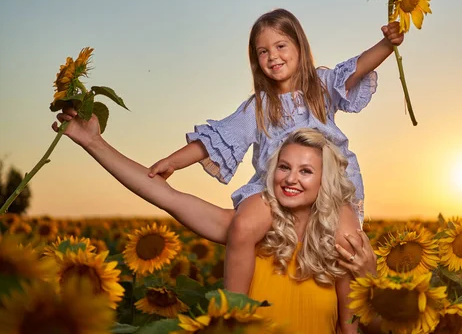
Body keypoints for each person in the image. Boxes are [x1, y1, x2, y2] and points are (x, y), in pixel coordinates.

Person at [147, 8, 404, 295]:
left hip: (329, 187)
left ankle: (348, 324)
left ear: (299, 47)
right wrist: (173, 161)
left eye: (280, 46)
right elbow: (216, 138)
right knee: (243, 226)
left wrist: (387, 44)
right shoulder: (258, 107)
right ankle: (234, 308)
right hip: (277, 188)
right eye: (263, 52)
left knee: (349, 244)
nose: (273, 57)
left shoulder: (320, 86)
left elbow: (356, 69)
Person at [53, 110, 376, 333]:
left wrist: (369, 277)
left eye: (306, 171)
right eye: (284, 167)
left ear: (325, 180)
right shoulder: (248, 232)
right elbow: (167, 196)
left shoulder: (339, 250)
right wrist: (93, 142)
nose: (291, 179)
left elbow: (352, 329)